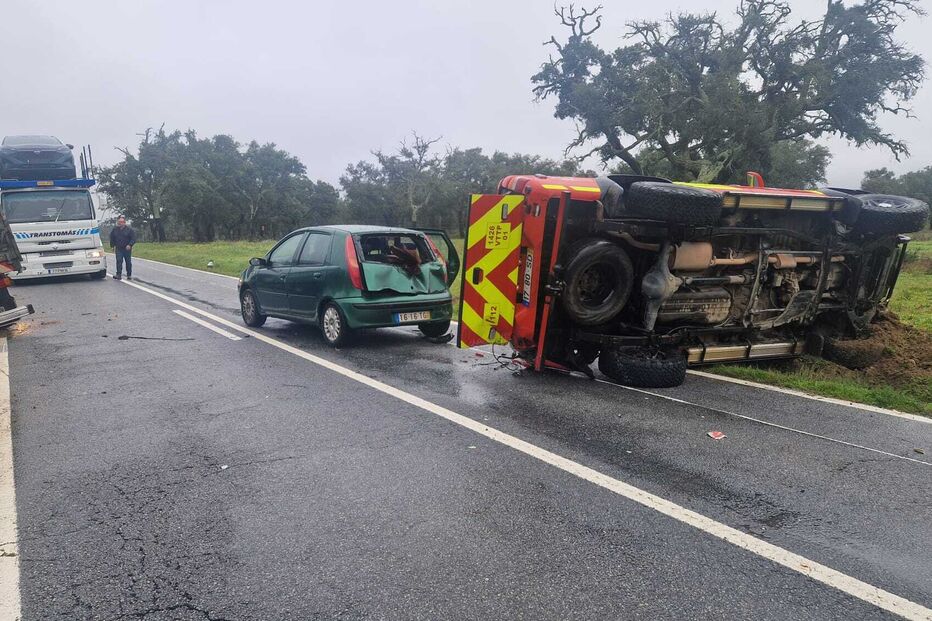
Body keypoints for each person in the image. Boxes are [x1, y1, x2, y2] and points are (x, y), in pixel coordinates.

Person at [109, 216, 136, 280]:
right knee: (119, 260)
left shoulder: (129, 230)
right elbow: (112, 238)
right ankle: (118, 274)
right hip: (118, 248)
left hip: (127, 248)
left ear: (124, 223)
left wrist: (130, 245)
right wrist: (112, 246)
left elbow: (133, 238)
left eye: (121, 222)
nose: (120, 223)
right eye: (119, 222)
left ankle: (129, 275)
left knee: (128, 262)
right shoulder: (115, 229)